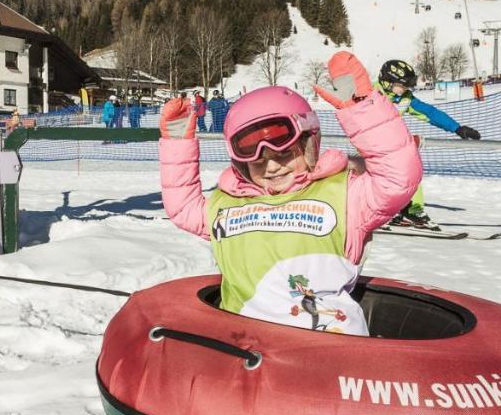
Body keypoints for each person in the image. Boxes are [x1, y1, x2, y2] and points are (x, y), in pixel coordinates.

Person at [158, 52, 421, 335]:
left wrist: (361, 107)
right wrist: (177, 144)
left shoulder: (346, 197)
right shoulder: (227, 204)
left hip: (330, 350)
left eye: (284, 154)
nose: (271, 167)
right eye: (256, 161)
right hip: (246, 350)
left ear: (309, 143)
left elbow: (398, 177)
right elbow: (182, 207)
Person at [375, 59, 480, 229]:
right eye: (403, 85)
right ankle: (376, 211)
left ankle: (411, 211)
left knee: (411, 170)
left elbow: (429, 112)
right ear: (388, 82)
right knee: (381, 175)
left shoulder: (404, 98)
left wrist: (457, 128)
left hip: (391, 145)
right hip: (369, 144)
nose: (407, 89)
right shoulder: (370, 93)